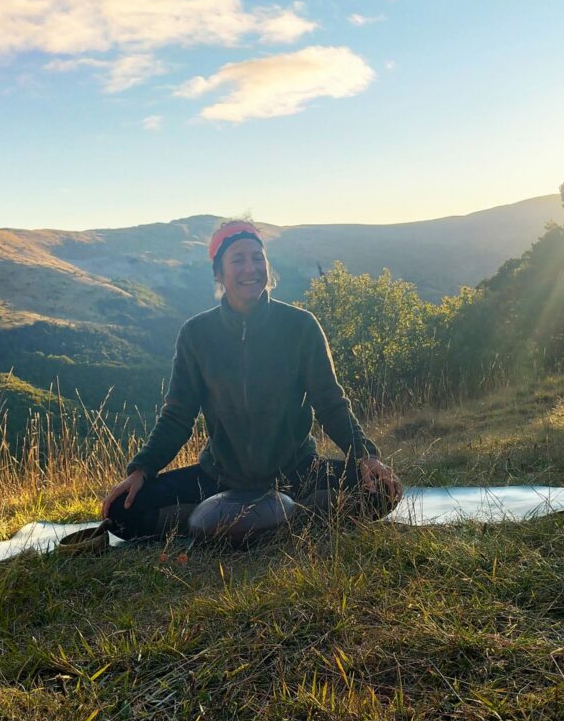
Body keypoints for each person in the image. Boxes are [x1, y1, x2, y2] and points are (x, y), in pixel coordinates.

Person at [101, 219, 402, 538]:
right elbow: (177, 416)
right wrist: (142, 469)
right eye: (238, 259)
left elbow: (330, 403)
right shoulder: (196, 335)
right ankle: (250, 521)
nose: (251, 268)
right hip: (219, 477)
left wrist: (365, 455)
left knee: (382, 491)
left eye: (258, 258)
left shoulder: (300, 327)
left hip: (297, 472)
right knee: (121, 513)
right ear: (219, 273)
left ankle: (243, 524)